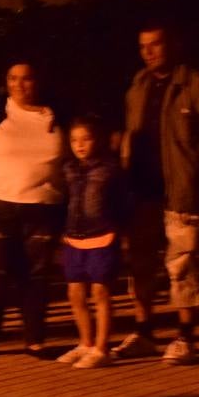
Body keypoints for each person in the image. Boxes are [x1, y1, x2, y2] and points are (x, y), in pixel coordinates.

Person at [113, 23, 199, 364]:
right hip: (142, 190)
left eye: (155, 44)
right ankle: (144, 331)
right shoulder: (138, 85)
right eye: (143, 46)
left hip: (180, 191)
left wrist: (195, 174)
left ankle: (185, 337)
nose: (148, 51)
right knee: (141, 265)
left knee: (182, 265)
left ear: (172, 44)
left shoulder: (193, 83)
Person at [0, 62, 65, 357]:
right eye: (13, 78)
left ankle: (34, 339)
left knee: (34, 277)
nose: (20, 84)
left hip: (43, 211)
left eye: (27, 78)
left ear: (38, 81)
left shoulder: (58, 116)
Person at [57, 116, 129, 369]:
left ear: (97, 140)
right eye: (74, 140)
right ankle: (85, 343)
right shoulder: (68, 168)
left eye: (86, 139)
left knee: (100, 292)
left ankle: (101, 348)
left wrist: (121, 232)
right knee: (75, 293)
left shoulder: (109, 169)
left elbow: (122, 203)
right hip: (74, 238)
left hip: (103, 236)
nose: (80, 145)